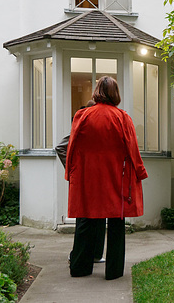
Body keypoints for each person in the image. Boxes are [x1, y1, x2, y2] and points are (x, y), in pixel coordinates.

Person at [66, 76, 148, 280]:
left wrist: (69, 172)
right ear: (115, 93)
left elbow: (71, 147)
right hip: (115, 177)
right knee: (116, 223)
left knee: (85, 218)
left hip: (88, 176)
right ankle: (113, 271)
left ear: (97, 91)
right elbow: (132, 149)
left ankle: (80, 267)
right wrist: (140, 172)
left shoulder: (82, 115)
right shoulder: (122, 117)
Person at [55, 101, 106, 265]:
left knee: (99, 218)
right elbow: (61, 147)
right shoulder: (82, 128)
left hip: (97, 178)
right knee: (85, 217)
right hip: (86, 179)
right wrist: (72, 169)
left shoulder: (95, 130)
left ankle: (96, 254)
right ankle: (79, 254)